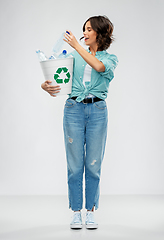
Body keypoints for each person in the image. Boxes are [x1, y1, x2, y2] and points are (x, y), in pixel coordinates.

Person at [41, 15, 118, 229]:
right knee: (75, 165)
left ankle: (90, 211)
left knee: (93, 165)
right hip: (73, 109)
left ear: (100, 33)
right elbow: (57, 79)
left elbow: (99, 67)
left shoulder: (110, 59)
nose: (84, 33)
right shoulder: (72, 57)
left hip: (98, 111)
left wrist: (76, 44)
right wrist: (46, 86)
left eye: (89, 29)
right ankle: (76, 212)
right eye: (84, 29)